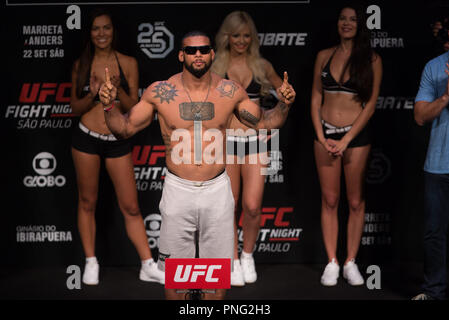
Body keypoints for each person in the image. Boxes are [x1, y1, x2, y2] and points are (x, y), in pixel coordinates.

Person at [98, 31, 295, 299]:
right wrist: (108, 107)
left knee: (216, 282)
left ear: (212, 54)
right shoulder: (161, 92)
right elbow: (124, 128)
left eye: (203, 50)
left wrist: (283, 105)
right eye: (191, 51)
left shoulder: (230, 91)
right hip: (179, 190)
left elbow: (265, 122)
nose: (198, 55)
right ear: (181, 55)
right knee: (177, 283)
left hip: (217, 191)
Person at [70, 8, 164, 286]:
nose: (101, 33)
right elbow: (75, 108)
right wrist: (94, 94)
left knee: (132, 207)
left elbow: (134, 107)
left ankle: (147, 264)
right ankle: (90, 261)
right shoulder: (81, 64)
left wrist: (118, 89)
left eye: (106, 28)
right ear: (90, 33)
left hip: (116, 141)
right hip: (86, 138)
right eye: (96, 28)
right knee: (87, 202)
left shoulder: (128, 62)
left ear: (113, 31)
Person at [310, 4, 382, 286]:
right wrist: (320, 135)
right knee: (329, 200)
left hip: (355, 138)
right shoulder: (323, 56)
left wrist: (346, 139)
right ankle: (332, 261)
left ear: (360, 25)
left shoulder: (372, 59)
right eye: (343, 18)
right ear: (337, 23)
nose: (347, 23)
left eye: (353, 20)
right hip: (324, 135)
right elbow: (316, 98)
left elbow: (371, 104)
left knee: (354, 201)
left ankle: (351, 261)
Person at [211, 11, 283, 286]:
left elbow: (286, 96)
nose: (241, 40)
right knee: (229, 206)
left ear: (251, 37)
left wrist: (269, 124)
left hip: (255, 144)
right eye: (235, 35)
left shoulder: (262, 66)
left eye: (245, 35)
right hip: (226, 144)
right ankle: (231, 259)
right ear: (226, 37)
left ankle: (248, 255)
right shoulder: (215, 66)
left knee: (252, 207)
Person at [412, 51, 449, 300]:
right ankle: (434, 292)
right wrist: (446, 96)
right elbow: (420, 116)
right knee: (434, 233)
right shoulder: (434, 67)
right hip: (439, 164)